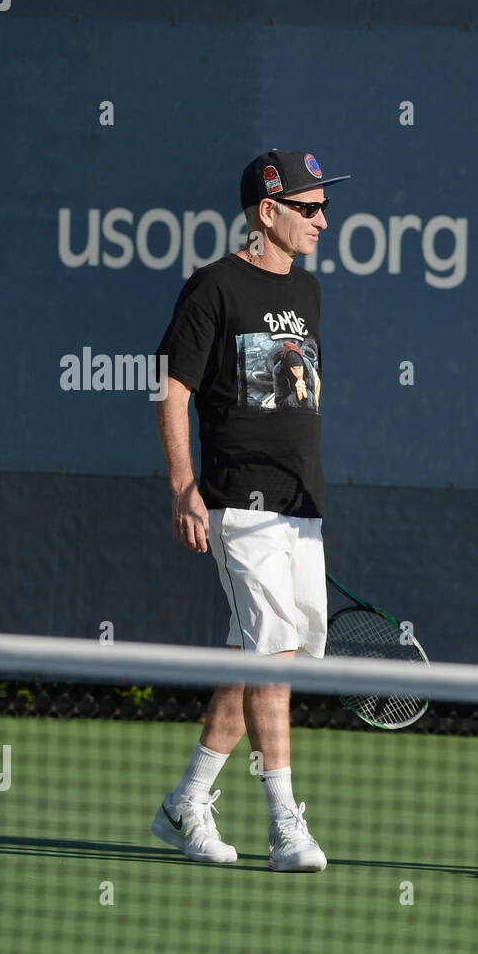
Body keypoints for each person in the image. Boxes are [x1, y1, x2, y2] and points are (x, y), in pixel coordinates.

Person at [150, 149, 348, 873]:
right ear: (269, 212)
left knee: (258, 651)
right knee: (276, 655)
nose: (323, 220)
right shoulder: (212, 289)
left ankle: (185, 802)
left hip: (302, 508)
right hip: (240, 505)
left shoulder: (312, 291)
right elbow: (174, 392)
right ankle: (284, 821)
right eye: (309, 208)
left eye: (324, 206)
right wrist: (184, 485)